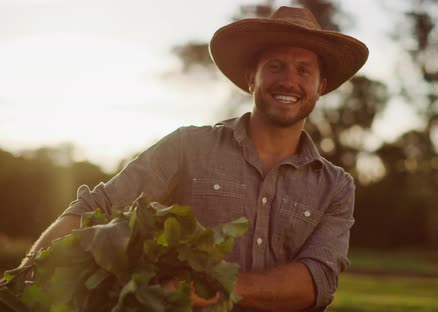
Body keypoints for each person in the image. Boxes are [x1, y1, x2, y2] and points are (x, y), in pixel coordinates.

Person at [19, 6, 368, 311]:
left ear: (320, 86)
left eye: (303, 70)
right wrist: (20, 286)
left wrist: (214, 284)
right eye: (275, 66)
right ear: (251, 79)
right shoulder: (187, 147)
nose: (289, 80)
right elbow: (95, 210)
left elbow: (317, 280)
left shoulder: (335, 186)